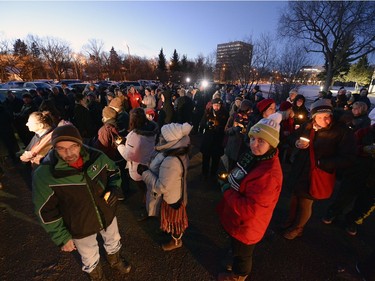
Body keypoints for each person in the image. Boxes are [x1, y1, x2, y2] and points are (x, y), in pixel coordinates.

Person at [32, 125, 131, 281]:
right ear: (54, 148)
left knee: (113, 239)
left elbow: (114, 171)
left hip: (106, 212)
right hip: (79, 224)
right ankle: (97, 276)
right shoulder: (45, 175)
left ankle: (115, 260)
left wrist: (114, 188)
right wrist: (62, 237)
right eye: (61, 148)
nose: (69, 153)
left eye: (73, 146)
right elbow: (45, 211)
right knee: (89, 254)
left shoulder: (96, 157)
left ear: (80, 144)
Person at [216, 117, 283, 281]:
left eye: (261, 141)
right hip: (238, 220)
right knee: (237, 249)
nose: (254, 144)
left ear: (272, 144)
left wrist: (226, 190)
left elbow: (250, 210)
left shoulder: (269, 175)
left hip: (247, 226)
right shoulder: (255, 158)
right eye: (252, 138)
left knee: (243, 256)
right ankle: (234, 260)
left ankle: (238, 276)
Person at [283, 99, 356, 240]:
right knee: (294, 197)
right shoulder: (308, 126)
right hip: (300, 169)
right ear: (314, 116)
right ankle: (290, 222)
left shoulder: (341, 131)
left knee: (305, 202)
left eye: (328, 116)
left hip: (317, 173)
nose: (326, 120)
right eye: (321, 117)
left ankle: (298, 228)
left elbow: (349, 157)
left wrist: (323, 162)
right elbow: (291, 138)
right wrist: (296, 143)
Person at [138, 123, 192, 251]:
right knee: (170, 219)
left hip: (172, 197)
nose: (160, 137)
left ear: (170, 139)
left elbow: (162, 187)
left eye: (163, 135)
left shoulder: (171, 160)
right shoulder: (179, 151)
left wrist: (145, 173)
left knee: (175, 221)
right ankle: (169, 232)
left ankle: (176, 241)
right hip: (177, 192)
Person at [117, 108, 158, 219]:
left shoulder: (135, 136)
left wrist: (120, 146)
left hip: (138, 167)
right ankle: (148, 206)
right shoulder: (151, 129)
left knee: (144, 190)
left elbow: (129, 155)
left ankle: (146, 208)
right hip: (150, 162)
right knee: (149, 188)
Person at [200, 98, 229, 181]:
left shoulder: (224, 114)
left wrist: (219, 127)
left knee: (215, 159)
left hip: (218, 140)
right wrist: (207, 125)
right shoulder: (208, 113)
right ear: (212, 105)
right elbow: (202, 123)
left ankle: (213, 174)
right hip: (208, 139)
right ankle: (204, 173)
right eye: (215, 105)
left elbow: (226, 126)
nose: (216, 107)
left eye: (218, 105)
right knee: (206, 157)